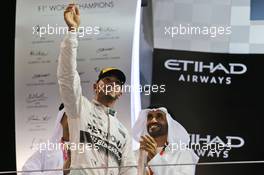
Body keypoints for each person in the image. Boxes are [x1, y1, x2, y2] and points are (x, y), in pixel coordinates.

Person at [57, 4, 136, 175]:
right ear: (95, 86)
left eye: (117, 83)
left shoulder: (123, 132)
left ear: (120, 93)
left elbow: (129, 171)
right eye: (107, 79)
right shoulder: (79, 108)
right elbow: (67, 75)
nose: (112, 84)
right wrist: (72, 31)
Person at [133, 106, 199, 175]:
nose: (153, 120)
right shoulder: (135, 155)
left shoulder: (183, 153)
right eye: (149, 117)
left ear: (169, 123)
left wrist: (155, 158)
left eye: (159, 116)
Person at [22, 104, 71, 175]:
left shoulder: (84, 148)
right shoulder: (47, 149)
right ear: (61, 120)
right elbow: (26, 172)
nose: (73, 122)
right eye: (69, 117)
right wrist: (61, 171)